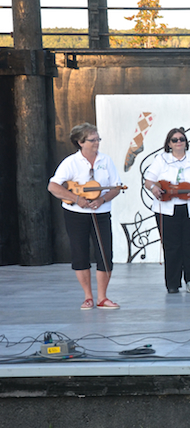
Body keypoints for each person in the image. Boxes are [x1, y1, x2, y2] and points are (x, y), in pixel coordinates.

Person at [47, 123, 122, 310]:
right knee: (80, 253)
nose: (97, 142)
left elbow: (116, 186)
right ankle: (88, 296)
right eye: (93, 139)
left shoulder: (106, 160)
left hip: (101, 213)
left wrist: (103, 199)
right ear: (80, 142)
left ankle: (102, 297)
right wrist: (75, 198)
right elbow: (53, 186)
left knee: (105, 255)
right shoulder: (70, 162)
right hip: (76, 214)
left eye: (98, 139)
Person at [144, 128, 190, 294]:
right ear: (169, 143)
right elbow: (149, 181)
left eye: (182, 139)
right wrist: (154, 189)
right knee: (171, 246)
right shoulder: (161, 159)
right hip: (167, 208)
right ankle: (172, 283)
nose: (179, 142)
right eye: (174, 140)